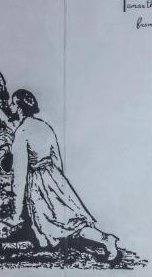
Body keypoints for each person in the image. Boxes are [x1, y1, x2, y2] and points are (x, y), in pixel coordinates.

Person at [7, 89, 120, 261]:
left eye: (12, 103)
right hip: (54, 177)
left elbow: (19, 173)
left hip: (38, 183)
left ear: (19, 107)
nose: (9, 105)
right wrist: (58, 183)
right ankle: (97, 239)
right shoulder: (44, 127)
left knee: (58, 222)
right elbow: (57, 160)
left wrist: (15, 213)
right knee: (63, 219)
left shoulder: (22, 132)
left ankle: (105, 239)